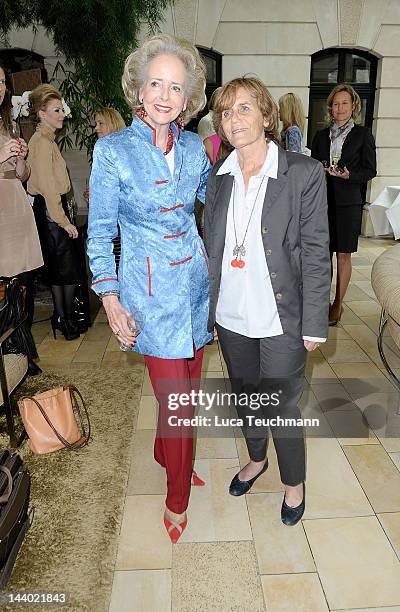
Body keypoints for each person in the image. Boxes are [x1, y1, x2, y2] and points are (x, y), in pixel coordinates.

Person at [87, 34, 211, 543]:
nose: (165, 94)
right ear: (139, 89)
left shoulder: (193, 148)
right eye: (156, 82)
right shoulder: (112, 151)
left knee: (189, 394)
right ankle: (176, 498)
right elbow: (100, 231)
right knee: (177, 404)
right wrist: (110, 298)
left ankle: (166, 454)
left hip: (197, 290)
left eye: (176, 87)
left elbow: (217, 201)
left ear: (188, 98)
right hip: (150, 297)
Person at [204, 76, 330, 525]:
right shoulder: (217, 179)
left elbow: (317, 251)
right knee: (246, 395)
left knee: (281, 404)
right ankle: (256, 459)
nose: (233, 119)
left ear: (266, 116)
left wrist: (315, 322)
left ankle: (293, 481)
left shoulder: (302, 172)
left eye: (243, 108)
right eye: (225, 111)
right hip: (232, 314)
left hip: (282, 317)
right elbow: (212, 247)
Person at [311, 83, 377, 325]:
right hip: (323, 202)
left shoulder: (363, 135)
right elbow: (313, 165)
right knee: (322, 255)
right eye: (336, 104)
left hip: (348, 203)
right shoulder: (320, 136)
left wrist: (350, 176)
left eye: (344, 103)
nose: (339, 108)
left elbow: (370, 170)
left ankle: (338, 304)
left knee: (343, 256)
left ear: (354, 107)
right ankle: (322, 302)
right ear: (330, 107)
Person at [27, 84, 81, 341]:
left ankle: (63, 318)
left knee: (61, 272)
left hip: (48, 210)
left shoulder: (45, 140)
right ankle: (64, 318)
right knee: (68, 272)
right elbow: (48, 188)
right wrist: (63, 221)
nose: (62, 114)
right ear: (41, 113)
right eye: (57, 110)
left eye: (61, 109)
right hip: (50, 211)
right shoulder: (42, 143)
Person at [0, 59, 44, 375]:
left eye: (2, 82)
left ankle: (20, 354)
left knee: (22, 285)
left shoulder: (5, 123)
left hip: (17, 208)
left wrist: (19, 161)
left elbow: (23, 175)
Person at [83, 107, 126, 268]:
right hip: (110, 225)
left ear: (112, 124)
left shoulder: (121, 153)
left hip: (122, 225)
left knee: (119, 265)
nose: (96, 128)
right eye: (96, 123)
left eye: (101, 123)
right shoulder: (103, 150)